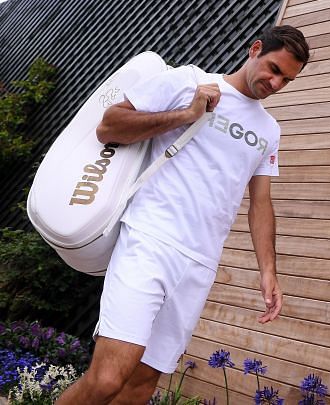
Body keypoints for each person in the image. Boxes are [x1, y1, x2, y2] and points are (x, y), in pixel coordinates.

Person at [57, 25, 310, 405]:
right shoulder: (188, 81)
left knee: (141, 386)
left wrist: (268, 271)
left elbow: (261, 203)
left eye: (287, 80)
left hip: (199, 265)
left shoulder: (269, 130)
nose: (275, 83)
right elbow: (109, 127)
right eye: (274, 69)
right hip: (149, 240)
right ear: (255, 49)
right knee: (108, 379)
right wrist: (186, 114)